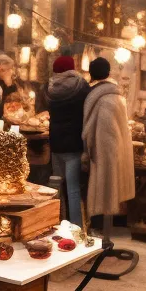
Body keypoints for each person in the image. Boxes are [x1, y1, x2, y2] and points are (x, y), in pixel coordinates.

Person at [82, 56, 135, 237]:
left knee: (101, 189)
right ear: (108, 72)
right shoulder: (117, 96)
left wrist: (86, 149)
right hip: (116, 148)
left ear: (92, 74)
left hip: (101, 150)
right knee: (110, 188)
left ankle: (99, 232)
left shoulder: (96, 97)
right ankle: (106, 230)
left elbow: (90, 130)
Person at [46, 55, 90, 227]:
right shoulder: (81, 87)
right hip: (74, 144)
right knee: (73, 188)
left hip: (56, 143)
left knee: (56, 185)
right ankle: (76, 227)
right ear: (72, 68)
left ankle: (54, 222)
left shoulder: (49, 88)